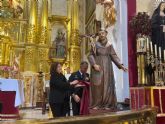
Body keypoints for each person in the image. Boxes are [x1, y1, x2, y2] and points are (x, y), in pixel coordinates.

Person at [88, 29, 127, 110]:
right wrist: (94, 64)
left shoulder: (109, 45)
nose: (101, 35)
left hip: (107, 68)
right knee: (98, 85)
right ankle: (97, 104)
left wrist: (121, 65)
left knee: (107, 85)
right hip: (98, 67)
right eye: (100, 33)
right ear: (98, 35)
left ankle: (107, 104)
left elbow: (114, 56)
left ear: (106, 34)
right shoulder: (95, 44)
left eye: (103, 33)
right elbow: (90, 55)